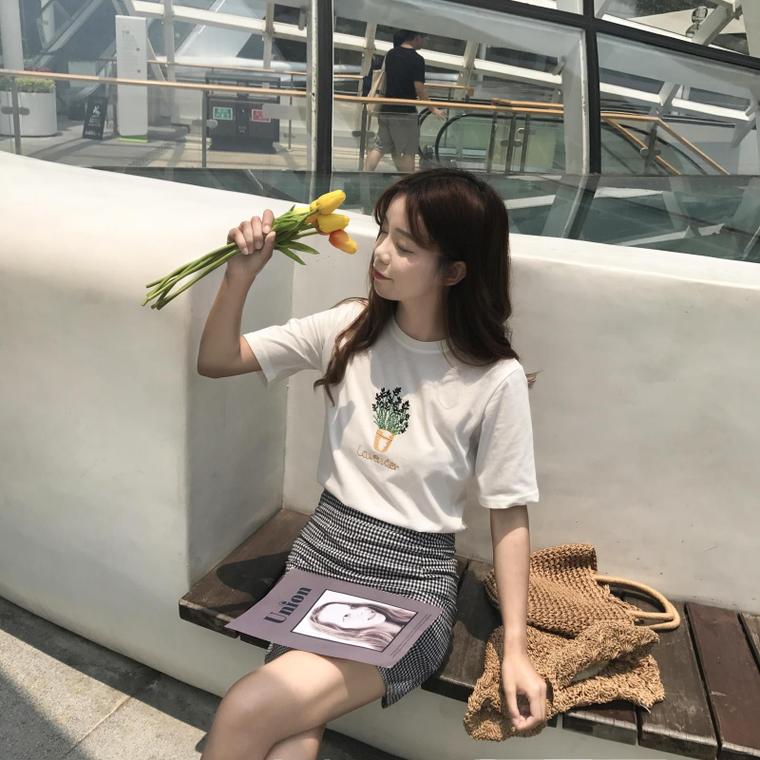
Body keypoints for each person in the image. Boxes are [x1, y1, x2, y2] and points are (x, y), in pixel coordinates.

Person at [196, 167, 547, 760]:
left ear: (454, 271)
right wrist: (240, 276)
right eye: (384, 231)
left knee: (250, 707)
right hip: (320, 558)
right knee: (291, 736)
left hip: (412, 584)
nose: (380, 252)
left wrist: (517, 647)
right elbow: (218, 359)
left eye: (406, 247)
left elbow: (508, 513)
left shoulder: (494, 379)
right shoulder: (349, 327)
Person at [364, 30, 446, 174]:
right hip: (405, 113)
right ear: (416, 38)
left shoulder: (391, 54)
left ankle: (363, 176)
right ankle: (409, 183)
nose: (424, 41)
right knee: (409, 150)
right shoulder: (417, 59)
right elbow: (419, 88)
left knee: (379, 147)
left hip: (386, 109)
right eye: (423, 38)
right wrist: (433, 109)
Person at [308, 600, 415, 650]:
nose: (360, 611)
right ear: (344, 630)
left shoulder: (407, 612)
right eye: (346, 616)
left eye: (352, 607)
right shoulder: (382, 648)